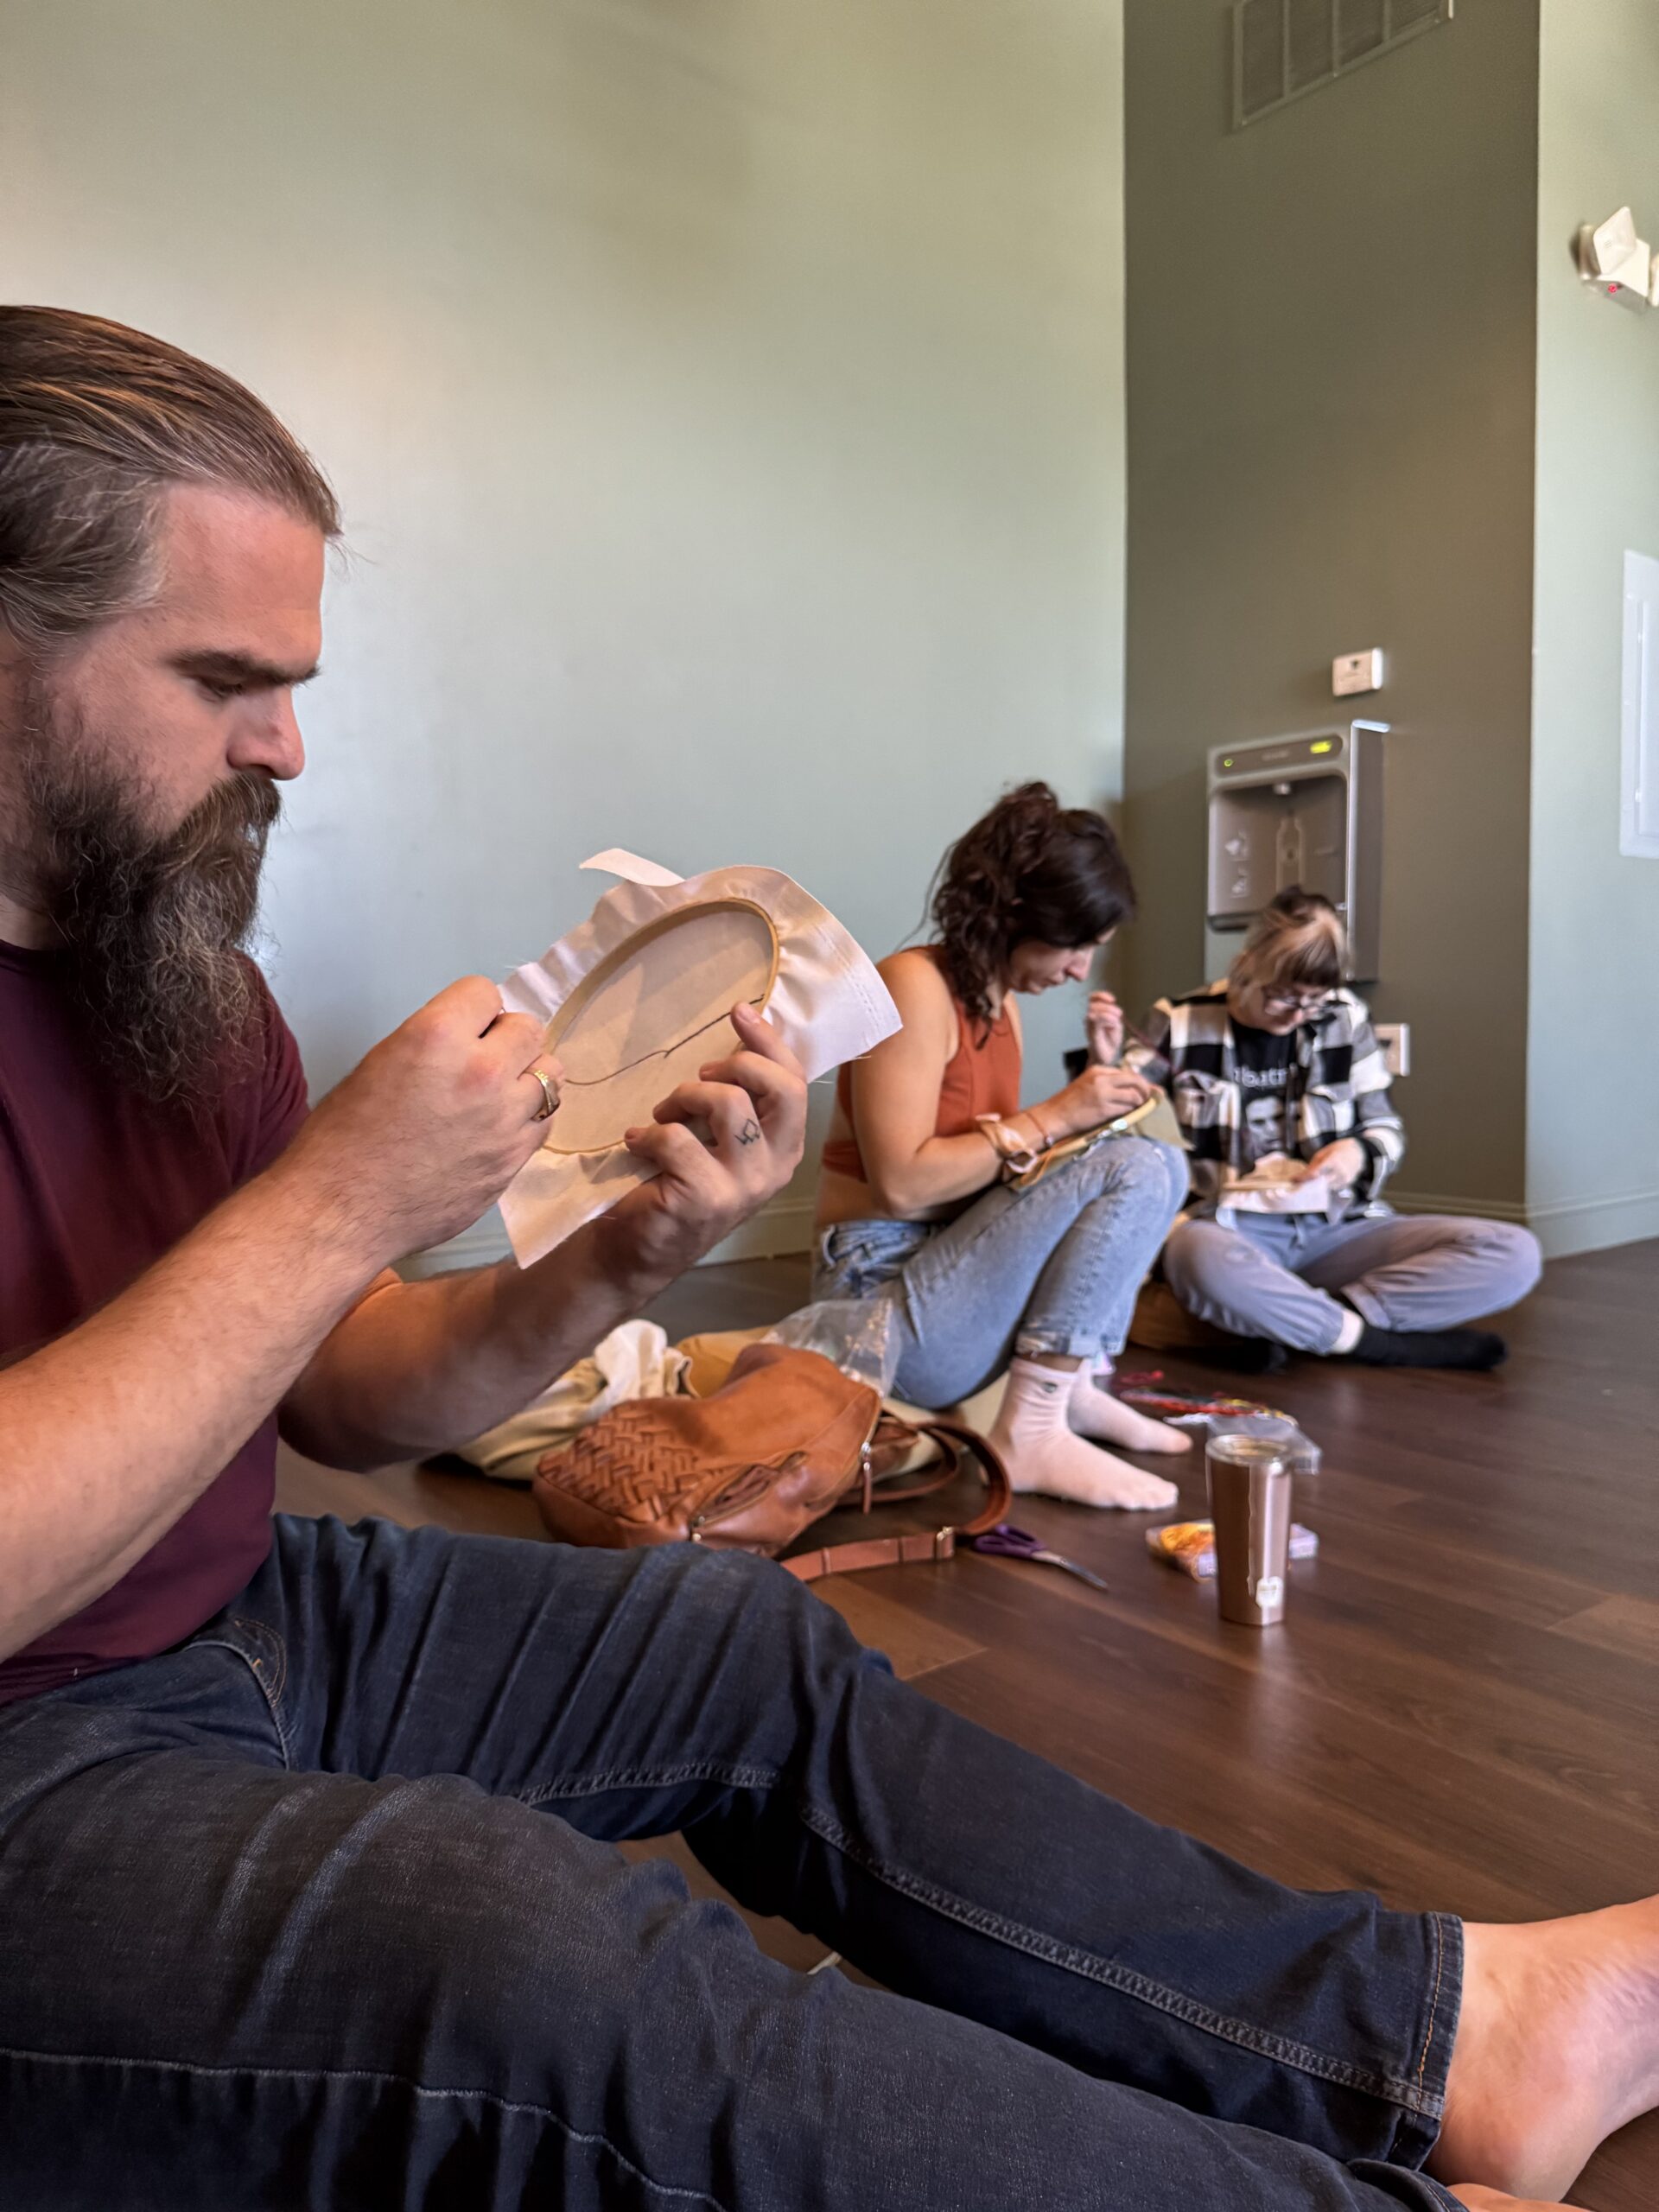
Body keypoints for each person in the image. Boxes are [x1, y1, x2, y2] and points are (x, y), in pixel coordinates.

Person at [0, 308, 1652, 2212]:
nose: (287, 745)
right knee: (517, 1958)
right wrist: (335, 1198)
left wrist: (627, 1252)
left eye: (294, 683)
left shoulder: (178, 983)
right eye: (224, 678)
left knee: (736, 1645)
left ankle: (1445, 2035)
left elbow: (350, 1396)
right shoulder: (923, 990)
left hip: (229, 1607)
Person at [813, 783, 1193, 1510]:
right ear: (1017, 916)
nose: (1080, 970)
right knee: (1136, 1165)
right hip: (875, 1307)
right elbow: (902, 1187)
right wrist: (1057, 1115)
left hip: (949, 1272)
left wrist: (1090, 1101)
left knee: (1158, 1160)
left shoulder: (1002, 1007)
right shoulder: (912, 986)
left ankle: (1070, 1389)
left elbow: (1000, 1177)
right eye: (1077, 946)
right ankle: (1034, 1430)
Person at [1124, 890, 1543, 1371]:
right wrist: (1101, 1059)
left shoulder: (1345, 1017)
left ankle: (1306, 1324)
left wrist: (1357, 1153)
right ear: (1246, 965)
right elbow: (1124, 1130)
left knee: (1514, 1253)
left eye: (1313, 1001)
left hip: (1336, 1228)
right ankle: (1381, 1343)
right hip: (1230, 1230)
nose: (1298, 1014)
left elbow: (1384, 1128)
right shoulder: (1177, 1023)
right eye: (1284, 996)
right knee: (1194, 1254)